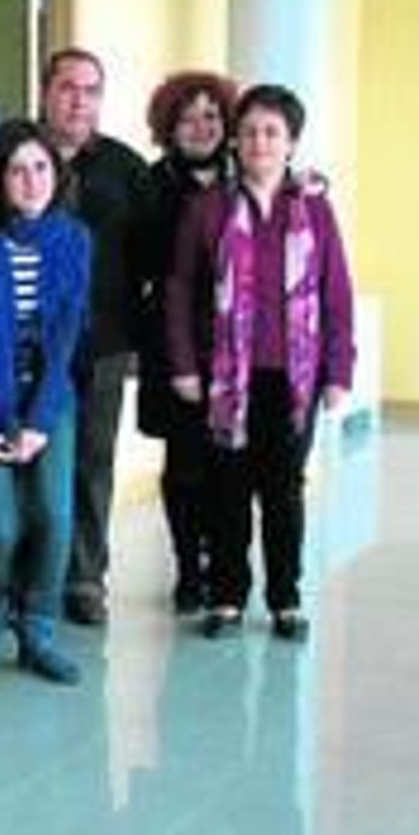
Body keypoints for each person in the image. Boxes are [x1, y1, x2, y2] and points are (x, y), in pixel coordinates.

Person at [166, 84, 355, 642]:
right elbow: (179, 290)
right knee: (226, 490)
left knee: (283, 493)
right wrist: (183, 365)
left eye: (272, 132)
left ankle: (285, 599)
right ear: (235, 141)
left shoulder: (315, 209)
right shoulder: (209, 207)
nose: (259, 142)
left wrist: (340, 370)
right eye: (249, 131)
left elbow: (337, 293)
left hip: (295, 379)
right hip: (228, 377)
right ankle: (227, 596)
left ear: (291, 142)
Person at [0, 118, 90, 685]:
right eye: (16, 170)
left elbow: (66, 339)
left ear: (56, 174)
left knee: (54, 518)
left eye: (40, 168)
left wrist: (38, 421)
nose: (31, 181)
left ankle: (38, 631)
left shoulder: (74, 239)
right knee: (2, 526)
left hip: (49, 398)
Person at [39, 47, 155, 627]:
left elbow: (156, 252)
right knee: (30, 460)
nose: (79, 101)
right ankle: (28, 579)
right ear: (46, 92)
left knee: (92, 460)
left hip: (102, 343)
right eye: (68, 88)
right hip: (31, 342)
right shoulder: (18, 154)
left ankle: (84, 578)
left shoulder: (125, 168)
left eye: (90, 91)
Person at [137, 71, 238, 616]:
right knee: (185, 466)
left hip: (236, 346)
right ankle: (188, 569)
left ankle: (224, 567)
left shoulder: (248, 178)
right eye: (188, 117)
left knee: (230, 464)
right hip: (175, 344)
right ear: (168, 126)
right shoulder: (150, 184)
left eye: (211, 116)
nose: (201, 127)